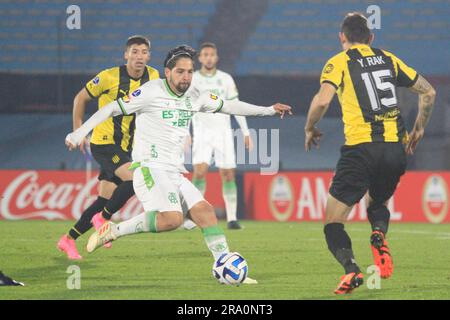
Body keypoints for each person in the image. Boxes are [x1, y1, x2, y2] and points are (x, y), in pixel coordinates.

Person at [65, 45, 292, 283]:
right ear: (168, 72)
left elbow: (229, 105)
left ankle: (226, 268)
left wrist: (268, 110)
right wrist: (79, 133)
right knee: (172, 219)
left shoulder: (196, 95)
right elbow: (112, 108)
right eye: (181, 72)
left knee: (205, 212)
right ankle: (113, 230)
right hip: (149, 167)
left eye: (190, 72)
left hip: (173, 171)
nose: (186, 77)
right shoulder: (151, 91)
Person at [304, 12, 436, 294]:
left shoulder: (338, 62)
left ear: (342, 37)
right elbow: (429, 92)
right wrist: (419, 130)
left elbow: (323, 100)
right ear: (371, 38)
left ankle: (351, 270)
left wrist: (310, 127)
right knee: (377, 203)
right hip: (395, 149)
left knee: (332, 223)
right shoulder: (388, 58)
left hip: (361, 149)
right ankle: (378, 234)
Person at [57, 35, 159, 260]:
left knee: (104, 200)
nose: (139, 56)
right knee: (135, 178)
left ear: (149, 56)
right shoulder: (109, 76)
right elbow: (80, 99)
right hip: (104, 143)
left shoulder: (153, 77)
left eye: (143, 52)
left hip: (126, 147)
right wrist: (79, 131)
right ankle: (103, 219)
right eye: (134, 52)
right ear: (126, 55)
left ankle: (68, 239)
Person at [183, 42, 252, 231]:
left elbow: (235, 106)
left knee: (228, 175)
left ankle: (232, 219)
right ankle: (193, 217)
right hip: (202, 132)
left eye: (211, 54)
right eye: (205, 54)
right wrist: (185, 133)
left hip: (223, 132)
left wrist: (246, 132)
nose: (208, 58)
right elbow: (186, 106)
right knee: (199, 172)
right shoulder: (193, 79)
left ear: (216, 57)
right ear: (200, 58)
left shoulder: (226, 79)